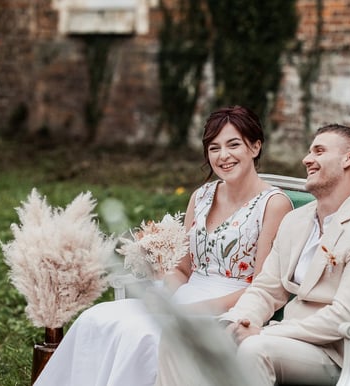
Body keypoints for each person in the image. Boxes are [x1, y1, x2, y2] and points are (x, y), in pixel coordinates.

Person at [34, 105, 293, 386]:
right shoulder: (202, 195)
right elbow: (183, 267)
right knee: (97, 318)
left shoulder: (274, 204)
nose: (223, 156)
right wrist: (165, 291)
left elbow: (261, 284)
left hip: (232, 307)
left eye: (233, 145)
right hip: (185, 296)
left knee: (143, 334)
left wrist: (197, 309)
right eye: (214, 147)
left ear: (255, 147)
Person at [156, 124, 350, 386]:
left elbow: (342, 317)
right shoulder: (296, 220)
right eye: (309, 152)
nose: (307, 159)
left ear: (348, 158)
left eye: (318, 151)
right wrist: (235, 321)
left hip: (333, 352)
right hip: (278, 338)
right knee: (178, 337)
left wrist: (266, 332)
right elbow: (266, 289)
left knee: (253, 349)